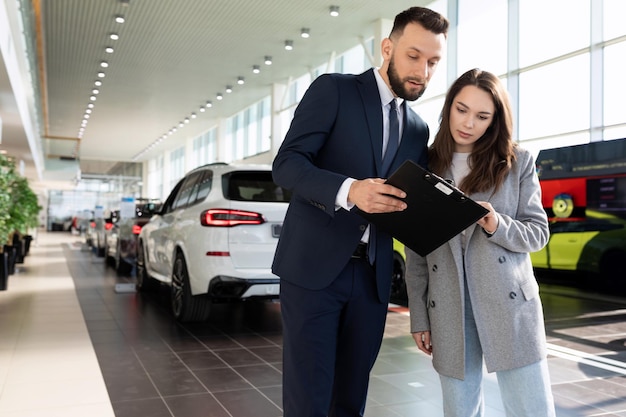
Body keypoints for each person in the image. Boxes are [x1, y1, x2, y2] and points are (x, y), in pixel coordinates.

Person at [271, 7, 449, 417]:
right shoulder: (334, 90)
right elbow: (288, 164)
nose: (423, 70)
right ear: (388, 48)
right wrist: (350, 190)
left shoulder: (419, 129)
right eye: (414, 56)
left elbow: (406, 205)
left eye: (433, 61)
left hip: (372, 279)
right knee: (308, 400)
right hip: (314, 272)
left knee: (351, 400)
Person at [405, 68, 556, 417]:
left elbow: (537, 232)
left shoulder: (516, 163)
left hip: (509, 304)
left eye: (482, 116)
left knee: (531, 409)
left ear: (495, 120)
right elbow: (416, 250)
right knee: (460, 410)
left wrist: (496, 223)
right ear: (449, 107)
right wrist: (419, 317)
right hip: (448, 306)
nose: (468, 123)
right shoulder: (424, 166)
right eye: (461, 109)